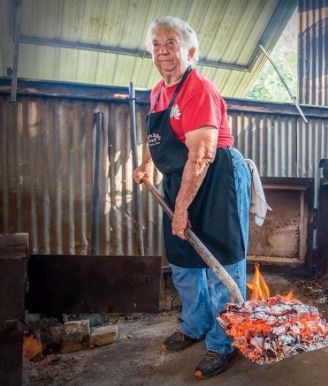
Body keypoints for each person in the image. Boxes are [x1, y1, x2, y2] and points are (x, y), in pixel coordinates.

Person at [133, 16, 251, 379]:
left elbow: (201, 156)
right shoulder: (157, 92)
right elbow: (157, 138)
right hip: (178, 179)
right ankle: (195, 325)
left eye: (171, 43)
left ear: (190, 51)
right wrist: (144, 165)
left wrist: (181, 209)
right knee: (184, 259)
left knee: (220, 260)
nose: (163, 51)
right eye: (156, 44)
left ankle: (223, 341)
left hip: (215, 179)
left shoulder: (198, 89)